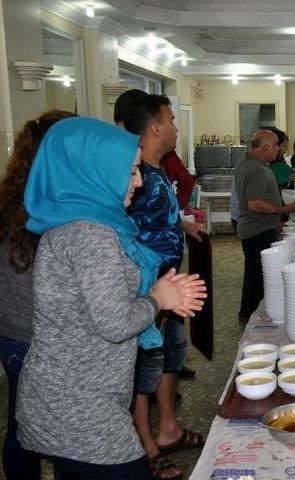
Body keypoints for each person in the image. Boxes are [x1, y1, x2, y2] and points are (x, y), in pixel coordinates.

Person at [16, 116, 206, 480]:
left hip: (66, 399)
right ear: (95, 170)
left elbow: (95, 302)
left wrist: (160, 294)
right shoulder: (92, 235)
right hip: (81, 409)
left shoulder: (73, 222)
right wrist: (157, 299)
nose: (137, 181)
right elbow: (115, 322)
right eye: (132, 171)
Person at [122, 94, 206, 479]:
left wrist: (183, 225)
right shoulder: (132, 178)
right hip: (147, 291)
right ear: (154, 126)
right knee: (143, 366)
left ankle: (168, 427)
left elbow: (157, 220)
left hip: (170, 285)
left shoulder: (155, 171)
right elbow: (125, 237)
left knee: (172, 353)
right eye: (171, 120)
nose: (175, 127)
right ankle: (147, 444)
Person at [0, 110, 75, 480]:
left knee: (20, 425)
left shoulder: (10, 196)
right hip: (44, 336)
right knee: (64, 431)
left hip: (11, 334)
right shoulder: (58, 201)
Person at [235, 130, 295, 323]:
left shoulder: (249, 163)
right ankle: (248, 314)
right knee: (256, 275)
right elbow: (254, 203)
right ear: (265, 147)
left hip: (257, 228)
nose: (278, 149)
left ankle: (250, 312)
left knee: (254, 273)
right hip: (257, 230)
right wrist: (283, 208)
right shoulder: (255, 169)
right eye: (275, 145)